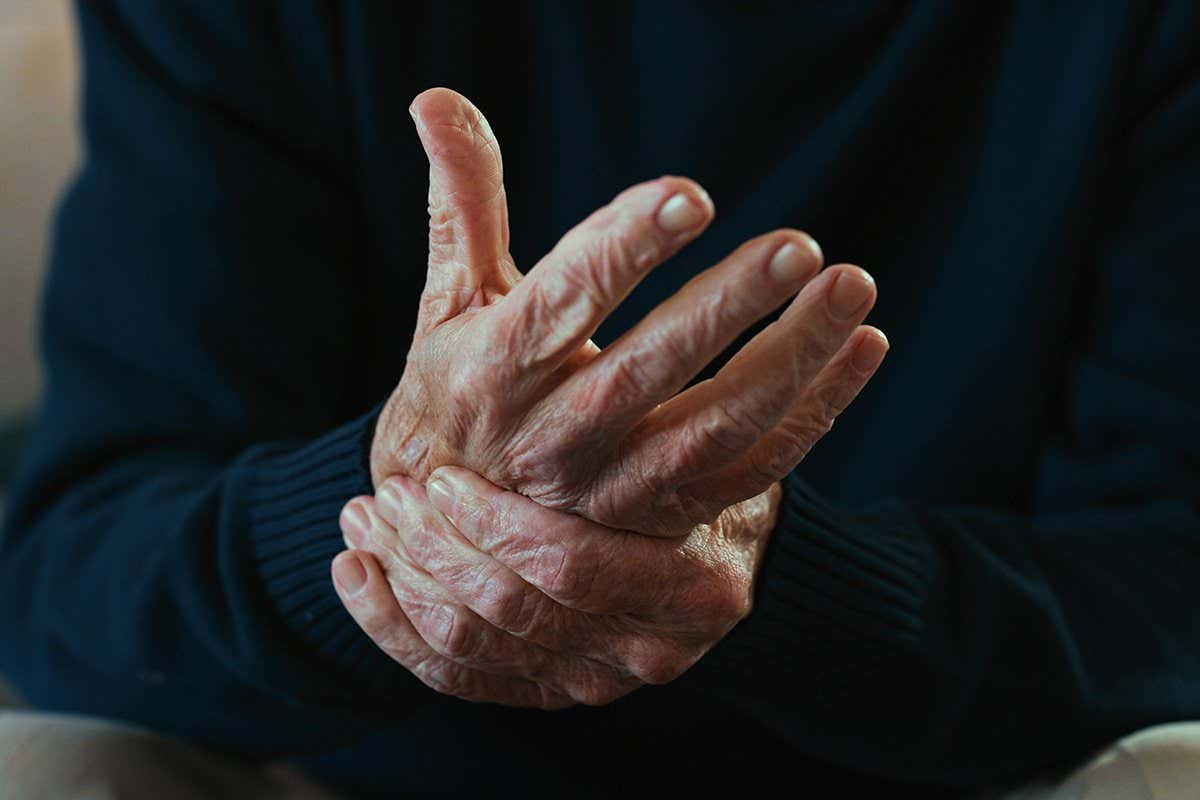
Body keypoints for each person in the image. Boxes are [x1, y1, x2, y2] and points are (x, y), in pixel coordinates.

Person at [1, 2, 1198, 798]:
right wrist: (406, 515)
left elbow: (1166, 585)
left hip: (964, 765)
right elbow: (80, 560)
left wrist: (765, 578)